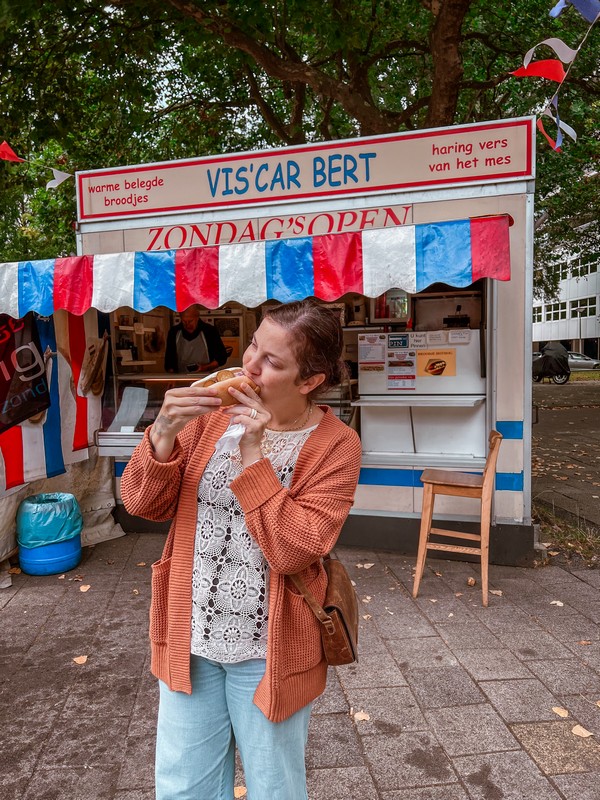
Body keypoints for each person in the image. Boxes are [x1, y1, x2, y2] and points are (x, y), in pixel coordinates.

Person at [121, 299, 362, 800]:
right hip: (192, 633)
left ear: (310, 381)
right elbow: (142, 501)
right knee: (183, 786)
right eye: (254, 346)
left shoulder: (336, 445)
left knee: (274, 786)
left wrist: (254, 454)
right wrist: (163, 432)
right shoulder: (212, 419)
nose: (248, 366)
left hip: (269, 646)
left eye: (273, 361)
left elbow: (294, 550)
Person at [164, 305, 228, 373]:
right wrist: (172, 379)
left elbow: (221, 358)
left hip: (204, 378)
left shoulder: (210, 331)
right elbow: (169, 361)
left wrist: (204, 368)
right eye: (184, 321)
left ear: (197, 317)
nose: (187, 325)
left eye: (190, 321)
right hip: (181, 378)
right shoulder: (174, 332)